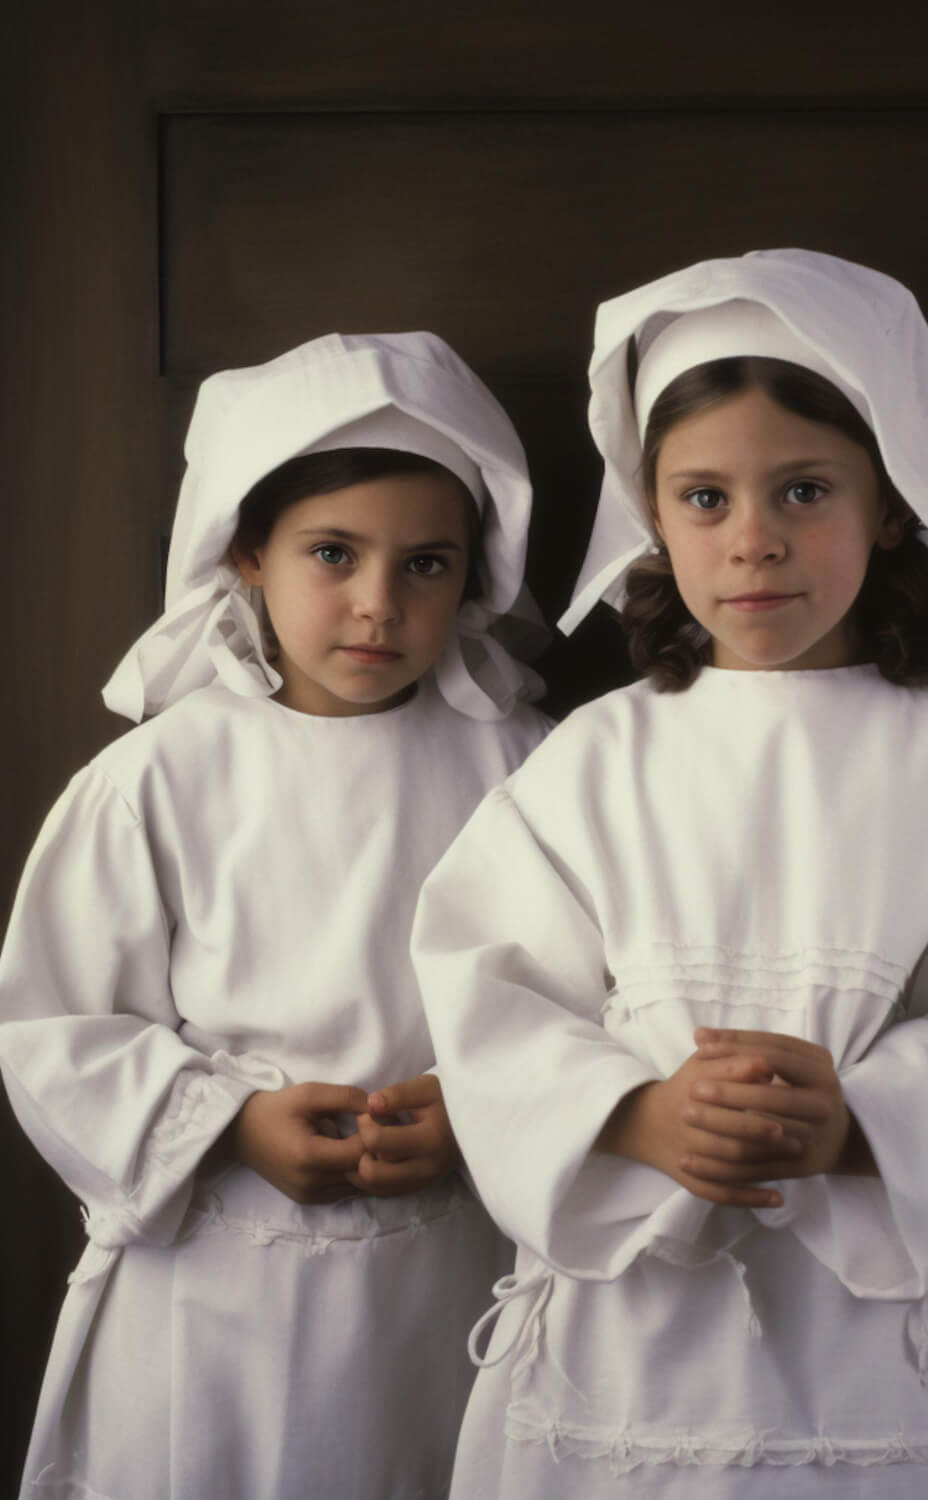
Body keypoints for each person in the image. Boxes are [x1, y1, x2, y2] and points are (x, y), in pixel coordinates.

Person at [413, 248, 928, 1499]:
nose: (753, 544)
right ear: (652, 510)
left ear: (891, 502)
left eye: (803, 491)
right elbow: (487, 991)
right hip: (634, 1318)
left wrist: (858, 1122)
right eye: (704, 499)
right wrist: (638, 1112)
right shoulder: (597, 755)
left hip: (890, 1343)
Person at [0, 332, 551, 1498]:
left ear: (477, 574)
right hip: (217, 1274)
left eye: (427, 566)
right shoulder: (160, 777)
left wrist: (472, 1107)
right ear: (249, 551)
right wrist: (231, 1125)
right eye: (333, 554)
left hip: (451, 1265)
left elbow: (587, 988)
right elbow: (55, 1024)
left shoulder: (527, 766)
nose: (378, 605)